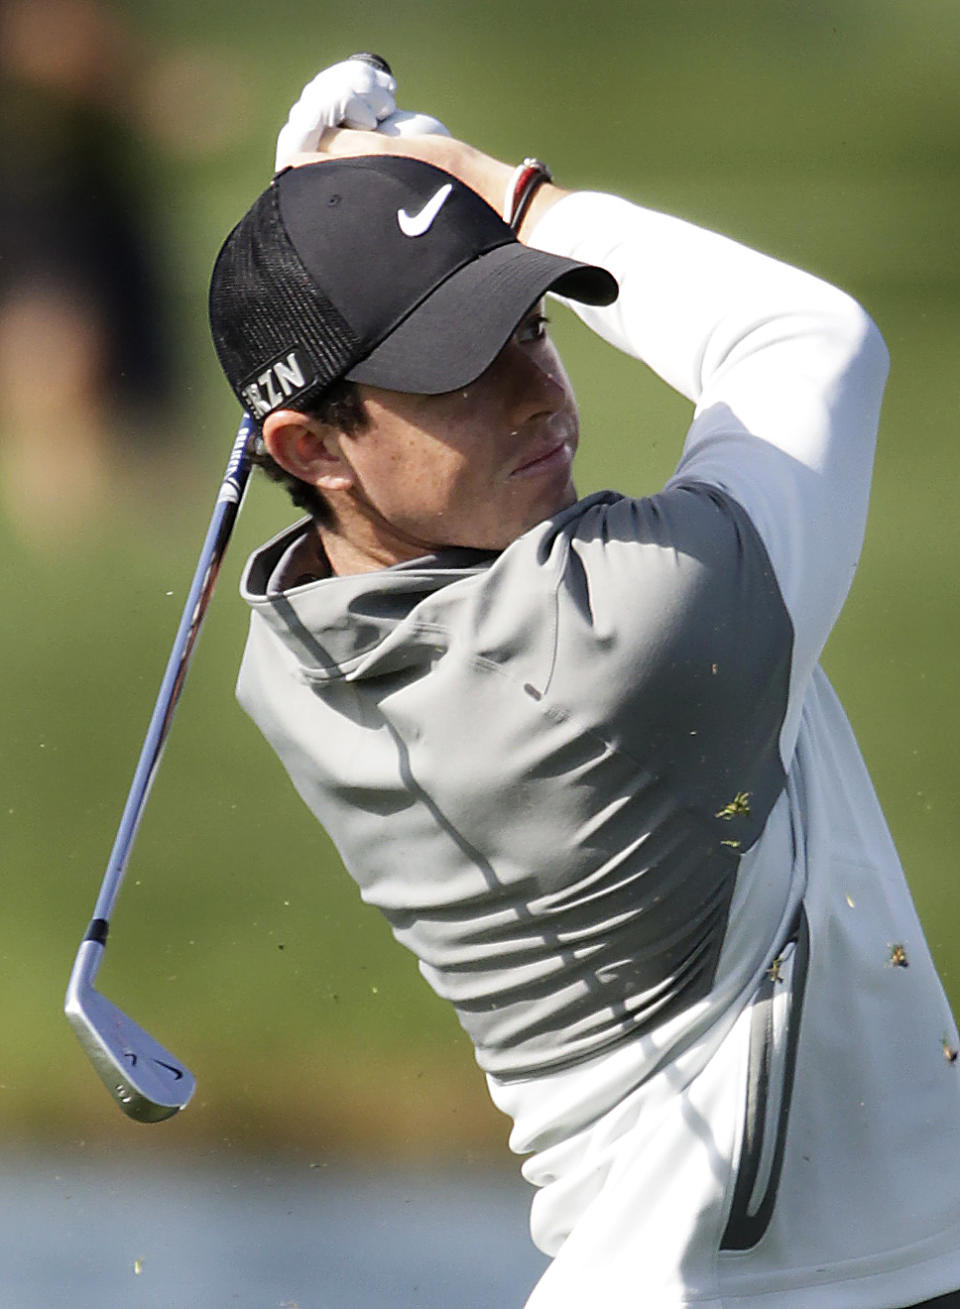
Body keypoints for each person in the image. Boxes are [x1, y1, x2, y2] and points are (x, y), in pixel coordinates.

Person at [208, 59, 960, 1308]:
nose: (537, 392)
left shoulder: (298, 646)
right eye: (458, 368)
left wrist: (404, 222)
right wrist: (496, 187)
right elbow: (811, 342)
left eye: (530, 323)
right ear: (308, 447)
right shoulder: (628, 636)